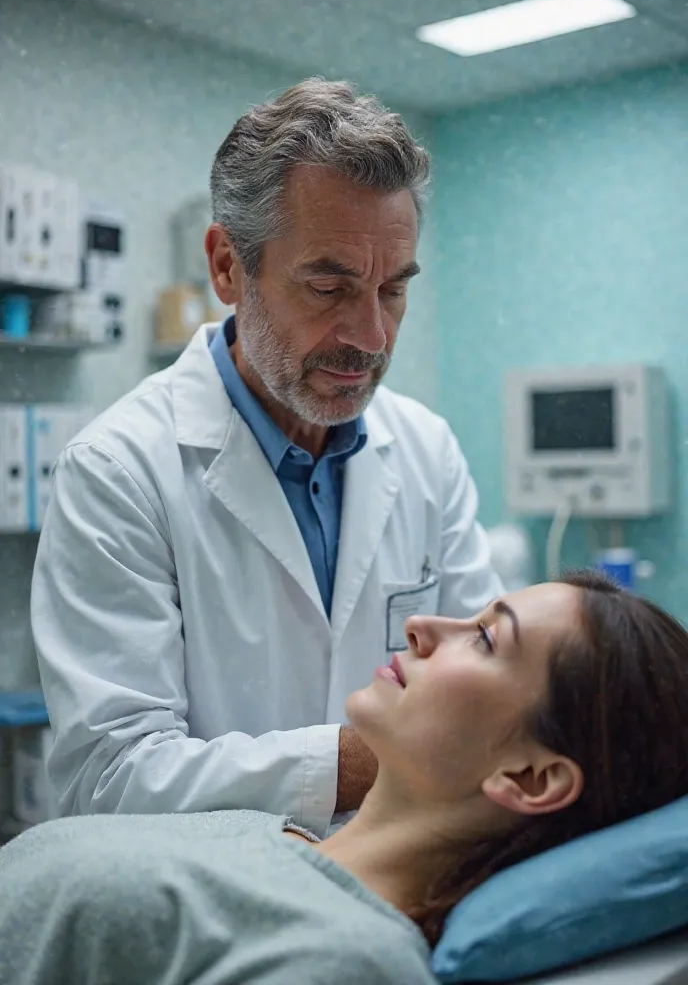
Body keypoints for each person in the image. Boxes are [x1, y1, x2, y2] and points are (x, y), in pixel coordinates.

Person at [30, 77, 502, 835]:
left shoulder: (426, 450)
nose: (372, 338)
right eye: (328, 286)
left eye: (392, 291)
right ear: (227, 268)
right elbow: (109, 777)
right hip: (212, 914)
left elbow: (488, 684)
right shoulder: (120, 470)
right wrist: (373, 758)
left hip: (397, 878)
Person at [3, 571, 688, 985]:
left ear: (532, 778)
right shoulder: (260, 831)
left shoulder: (345, 957)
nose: (422, 624)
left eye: (484, 638)